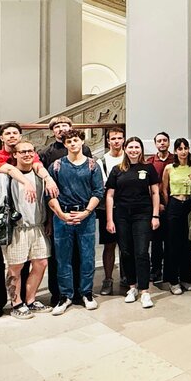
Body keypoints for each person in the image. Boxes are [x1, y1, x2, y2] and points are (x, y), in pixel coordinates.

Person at [0, 122, 57, 319]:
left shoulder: (39, 174)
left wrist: (48, 221)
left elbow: (45, 201)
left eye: (30, 151)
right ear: (14, 154)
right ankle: (16, 303)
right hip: (16, 228)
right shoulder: (4, 176)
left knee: (41, 263)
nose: (26, 154)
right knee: (15, 267)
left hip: (37, 227)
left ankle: (30, 300)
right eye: (22, 151)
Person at [47, 129, 104, 315]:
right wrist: (61, 214)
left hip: (86, 216)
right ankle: (65, 296)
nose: (73, 144)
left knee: (87, 256)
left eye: (76, 140)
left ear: (82, 142)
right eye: (69, 141)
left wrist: (87, 212)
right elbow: (49, 194)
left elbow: (98, 192)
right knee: (63, 258)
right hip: (62, 216)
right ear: (65, 144)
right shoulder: (56, 166)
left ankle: (86, 293)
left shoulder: (93, 166)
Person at [38, 116, 93, 306]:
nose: (62, 129)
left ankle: (81, 292)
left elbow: (93, 183)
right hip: (58, 211)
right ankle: (59, 293)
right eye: (58, 127)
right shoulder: (47, 153)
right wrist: (53, 216)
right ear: (53, 131)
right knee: (59, 255)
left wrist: (86, 211)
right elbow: (46, 186)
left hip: (83, 211)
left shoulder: (84, 151)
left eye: (65, 126)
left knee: (82, 253)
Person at [105, 137, 160, 309]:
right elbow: (110, 196)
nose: (134, 150)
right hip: (122, 216)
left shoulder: (148, 168)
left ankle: (144, 291)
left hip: (142, 215)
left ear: (141, 150)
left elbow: (155, 193)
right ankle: (132, 287)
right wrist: (109, 219)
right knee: (126, 252)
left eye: (137, 147)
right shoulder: (117, 170)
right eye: (131, 147)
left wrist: (155, 215)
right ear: (125, 149)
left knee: (142, 252)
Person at [161, 138, 191, 295]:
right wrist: (170, 204)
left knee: (187, 243)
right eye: (180, 148)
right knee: (173, 243)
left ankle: (186, 279)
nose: (183, 151)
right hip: (174, 205)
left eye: (185, 148)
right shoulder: (169, 168)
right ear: (175, 151)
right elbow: (164, 189)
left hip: (190, 205)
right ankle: (173, 280)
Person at [97, 128, 125, 296]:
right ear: (108, 141)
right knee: (109, 245)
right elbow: (103, 186)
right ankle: (108, 279)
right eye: (113, 138)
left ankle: (127, 276)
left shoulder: (128, 158)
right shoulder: (102, 161)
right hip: (108, 208)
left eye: (119, 138)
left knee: (127, 245)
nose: (116, 141)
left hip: (126, 206)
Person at [148, 131, 174, 284]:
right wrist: (158, 206)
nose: (162, 143)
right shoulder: (150, 162)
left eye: (165, 140)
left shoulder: (176, 159)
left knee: (171, 240)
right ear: (156, 144)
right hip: (157, 207)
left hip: (174, 206)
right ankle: (155, 269)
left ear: (169, 143)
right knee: (156, 241)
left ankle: (170, 270)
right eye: (159, 141)